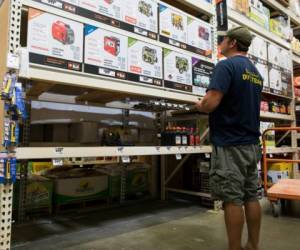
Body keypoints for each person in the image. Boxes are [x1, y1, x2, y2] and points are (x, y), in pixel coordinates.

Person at [195, 26, 263, 250]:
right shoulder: (255, 72)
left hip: (230, 144)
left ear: (232, 42)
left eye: (223, 39)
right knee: (251, 196)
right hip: (252, 144)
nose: (220, 42)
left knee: (232, 199)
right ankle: (252, 245)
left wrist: (200, 104)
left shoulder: (226, 66)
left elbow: (211, 103)